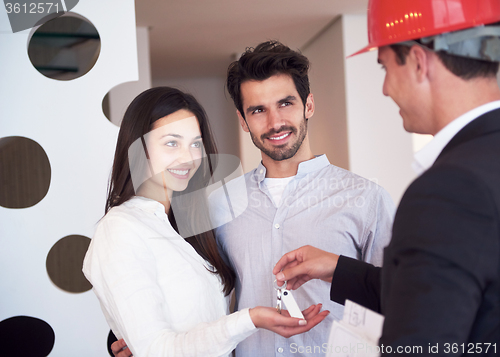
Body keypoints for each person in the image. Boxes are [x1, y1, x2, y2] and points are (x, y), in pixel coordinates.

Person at [274, 0, 500, 354]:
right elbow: (443, 290)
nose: (385, 89)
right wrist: (338, 268)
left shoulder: (448, 189)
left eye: (384, 67)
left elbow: (424, 342)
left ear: (418, 62)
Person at [83, 87, 329, 357]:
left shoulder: (189, 225)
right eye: (171, 143)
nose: (188, 157)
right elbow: (157, 350)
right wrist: (252, 319)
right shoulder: (120, 228)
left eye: (195, 143)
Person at [208, 40, 395, 356]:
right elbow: (198, 298)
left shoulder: (367, 198)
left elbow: (398, 298)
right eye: (258, 110)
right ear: (242, 120)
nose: (274, 122)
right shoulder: (219, 205)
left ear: (308, 105)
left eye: (285, 103)